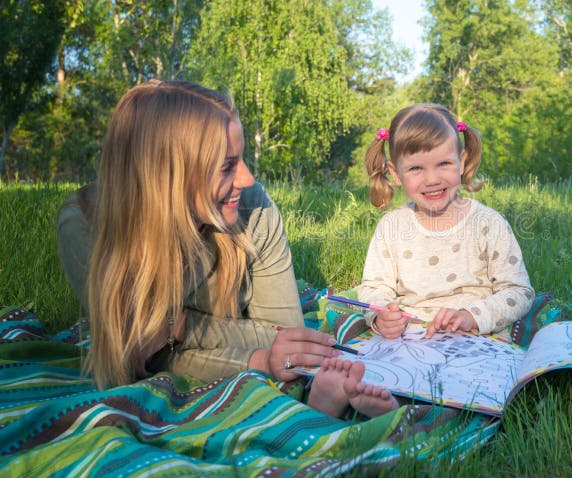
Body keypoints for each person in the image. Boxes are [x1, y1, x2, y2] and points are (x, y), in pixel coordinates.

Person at [57, 79, 396, 417]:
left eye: (242, 158)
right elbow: (135, 358)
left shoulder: (253, 207)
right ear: (167, 176)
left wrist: (175, 327)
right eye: (226, 166)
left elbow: (287, 338)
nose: (247, 179)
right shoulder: (88, 228)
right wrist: (256, 360)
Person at [361, 103, 535, 339]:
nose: (432, 179)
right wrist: (382, 314)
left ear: (461, 162)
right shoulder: (392, 227)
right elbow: (374, 287)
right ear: (395, 173)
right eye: (415, 168)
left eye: (444, 164)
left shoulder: (488, 224)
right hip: (410, 337)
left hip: (475, 336)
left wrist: (471, 316)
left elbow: (519, 292)